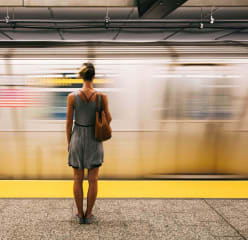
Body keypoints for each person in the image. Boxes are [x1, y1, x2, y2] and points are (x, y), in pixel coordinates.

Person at [66, 62, 112, 224]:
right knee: (93, 179)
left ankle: (80, 214)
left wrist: (69, 142)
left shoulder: (72, 96)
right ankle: (89, 214)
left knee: (77, 178)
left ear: (81, 76)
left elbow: (68, 122)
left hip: (77, 137)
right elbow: (109, 118)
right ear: (93, 76)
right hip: (94, 139)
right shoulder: (102, 97)